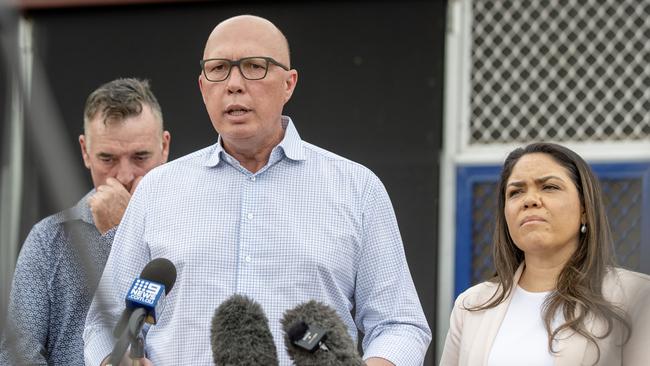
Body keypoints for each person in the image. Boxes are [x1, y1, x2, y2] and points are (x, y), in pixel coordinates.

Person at [83, 15, 431, 366]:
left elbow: (399, 325)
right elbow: (105, 321)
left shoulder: (357, 189)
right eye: (219, 68)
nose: (234, 84)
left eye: (254, 66)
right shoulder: (158, 191)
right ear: (203, 87)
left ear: (289, 84)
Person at [0, 78, 171, 366]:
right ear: (85, 152)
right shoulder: (50, 239)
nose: (124, 175)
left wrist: (120, 231)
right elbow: (17, 355)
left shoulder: (189, 228)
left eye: (140, 156)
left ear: (164, 147)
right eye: (108, 158)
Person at [439, 142, 650, 366]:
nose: (529, 200)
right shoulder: (472, 305)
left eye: (549, 187)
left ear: (585, 210)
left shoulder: (636, 299)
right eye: (516, 192)